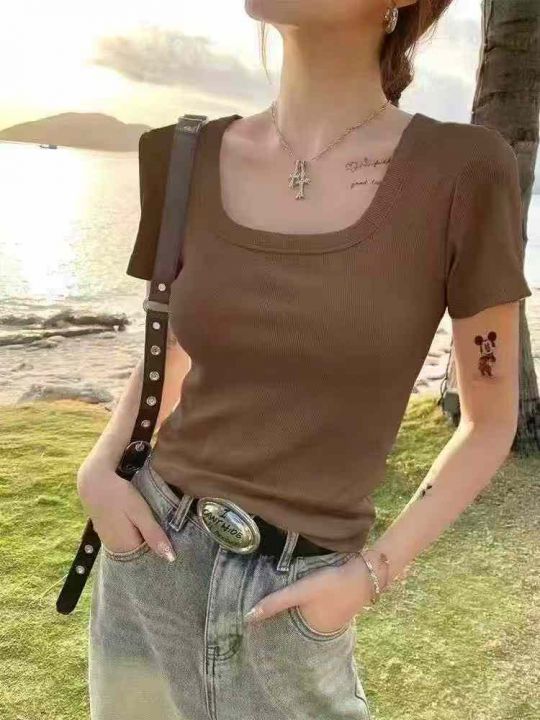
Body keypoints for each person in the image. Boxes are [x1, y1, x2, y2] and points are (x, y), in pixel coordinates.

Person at [77, 1, 532, 718]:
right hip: (149, 564)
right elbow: (173, 349)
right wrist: (100, 468)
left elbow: (488, 419)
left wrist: (372, 575)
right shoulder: (182, 156)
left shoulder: (465, 171)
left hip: (295, 603)